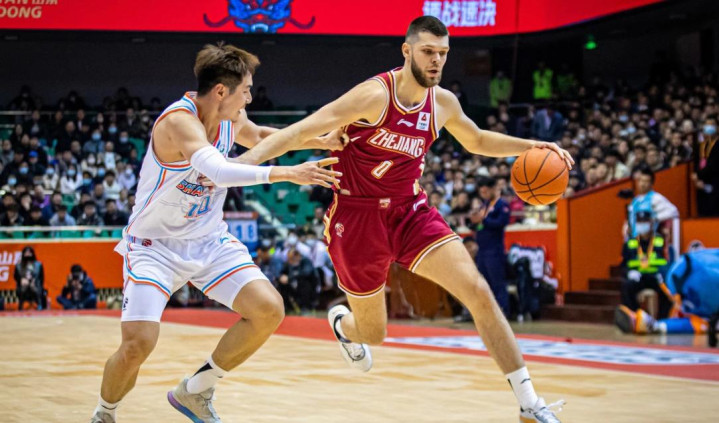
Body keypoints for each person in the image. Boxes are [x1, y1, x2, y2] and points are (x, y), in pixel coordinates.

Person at [238, 17, 572, 422]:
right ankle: (344, 326)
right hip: (357, 217)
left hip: (410, 211)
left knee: (478, 291)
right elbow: (296, 133)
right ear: (407, 50)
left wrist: (533, 144)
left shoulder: (443, 103)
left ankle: (529, 403)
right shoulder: (373, 95)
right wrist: (238, 166)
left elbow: (478, 140)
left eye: (443, 53)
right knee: (374, 333)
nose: (436, 61)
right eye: (428, 51)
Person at [90, 43, 342, 423]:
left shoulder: (230, 117)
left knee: (268, 310)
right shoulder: (178, 122)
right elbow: (220, 172)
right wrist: (288, 173)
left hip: (208, 240)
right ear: (221, 91)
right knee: (137, 345)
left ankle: (196, 389)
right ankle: (104, 413)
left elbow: (261, 136)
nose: (250, 98)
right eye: (246, 90)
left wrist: (319, 140)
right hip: (155, 247)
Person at [614, 210, 670, 332]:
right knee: (627, 286)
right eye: (639, 222)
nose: (642, 225)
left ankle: (661, 322)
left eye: (645, 221)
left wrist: (663, 273)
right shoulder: (630, 243)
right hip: (638, 277)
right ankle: (633, 319)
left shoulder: (660, 241)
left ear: (651, 223)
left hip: (655, 277)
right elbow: (623, 265)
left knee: (667, 290)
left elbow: (666, 261)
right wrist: (629, 272)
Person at [470, 177, 511, 316]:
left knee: (497, 282)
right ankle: (487, 313)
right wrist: (474, 222)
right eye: (482, 192)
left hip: (494, 249)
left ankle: (503, 312)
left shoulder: (502, 204)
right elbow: (479, 225)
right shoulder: (485, 205)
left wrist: (483, 219)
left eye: (486, 192)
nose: (484, 195)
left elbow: (501, 223)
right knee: (484, 283)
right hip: (482, 249)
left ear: (494, 189)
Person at [13, 246, 46, 310]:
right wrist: (21, 280)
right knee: (24, 287)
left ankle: (39, 304)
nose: (28, 254)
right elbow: (16, 277)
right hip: (23, 286)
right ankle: (20, 305)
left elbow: (41, 278)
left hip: (35, 286)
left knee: (35, 287)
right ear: (23, 254)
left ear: (32, 254)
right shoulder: (18, 265)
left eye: (29, 252)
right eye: (26, 253)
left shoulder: (38, 265)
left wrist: (35, 282)